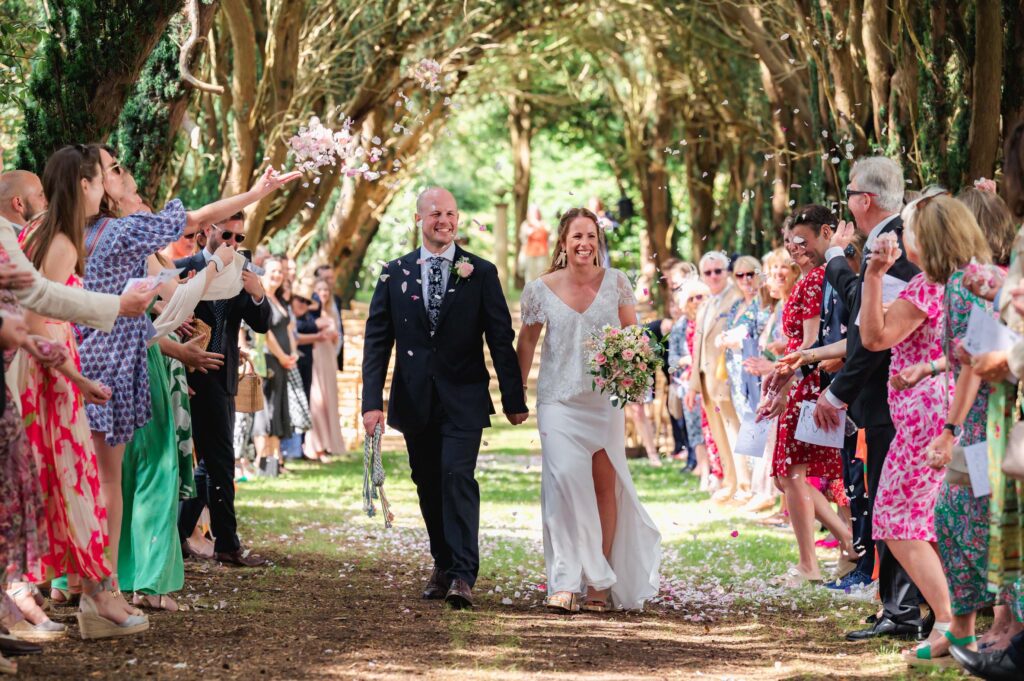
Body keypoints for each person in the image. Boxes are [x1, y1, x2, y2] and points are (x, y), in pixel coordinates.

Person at [361, 186, 528, 610]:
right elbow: (377, 342)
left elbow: (501, 339)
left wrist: (514, 398)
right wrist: (371, 403)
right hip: (414, 400)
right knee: (428, 484)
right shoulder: (392, 274)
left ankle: (462, 575)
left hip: (465, 398)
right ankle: (443, 561)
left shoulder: (482, 272)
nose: (445, 221)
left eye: (451, 213)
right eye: (436, 213)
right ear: (419, 218)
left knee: (457, 477)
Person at [858, 191, 990, 665]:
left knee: (894, 516)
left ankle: (950, 618)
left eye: (907, 229)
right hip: (943, 408)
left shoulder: (925, 288)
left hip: (929, 419)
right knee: (933, 521)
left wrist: (874, 276)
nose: (900, 236)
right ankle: (950, 623)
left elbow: (873, 338)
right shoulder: (962, 283)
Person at [516, 207, 660, 612]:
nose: (585, 244)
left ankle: (599, 585)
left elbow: (633, 339)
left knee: (602, 491)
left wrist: (633, 378)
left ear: (599, 242)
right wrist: (516, 396)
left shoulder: (617, 283)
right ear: (562, 242)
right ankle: (564, 581)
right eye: (577, 236)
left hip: (603, 402)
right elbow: (526, 344)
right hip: (557, 401)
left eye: (591, 236)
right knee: (563, 485)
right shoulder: (539, 289)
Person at [818, 156, 930, 642]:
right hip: (889, 400)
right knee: (885, 502)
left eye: (849, 192)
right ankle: (896, 605)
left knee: (896, 504)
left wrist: (841, 391)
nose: (846, 201)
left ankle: (904, 610)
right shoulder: (885, 240)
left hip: (896, 399)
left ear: (865, 199)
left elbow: (873, 334)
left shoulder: (893, 243)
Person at [175, 211, 280, 567]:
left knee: (216, 461)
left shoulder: (242, 270)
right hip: (184, 375)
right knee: (201, 461)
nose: (233, 244)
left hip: (223, 379)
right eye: (227, 236)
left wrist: (257, 294)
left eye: (239, 238)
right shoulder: (183, 267)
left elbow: (263, 324)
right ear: (208, 231)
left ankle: (207, 538)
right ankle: (206, 540)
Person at [758, 207, 853, 586]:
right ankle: (847, 541)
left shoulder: (816, 280)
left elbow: (813, 342)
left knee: (791, 474)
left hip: (808, 378)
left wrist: (787, 381)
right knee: (787, 477)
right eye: (788, 243)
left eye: (801, 241)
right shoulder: (805, 280)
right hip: (797, 375)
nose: (795, 249)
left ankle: (812, 562)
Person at [685, 251, 746, 502]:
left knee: (735, 433)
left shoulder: (736, 298)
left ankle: (744, 486)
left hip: (727, 377)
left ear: (726, 272)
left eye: (718, 271)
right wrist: (692, 385)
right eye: (708, 272)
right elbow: (698, 346)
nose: (713, 276)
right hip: (707, 379)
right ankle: (730, 483)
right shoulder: (707, 303)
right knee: (720, 436)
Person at [251, 257, 296, 474]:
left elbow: (288, 329)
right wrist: (281, 356)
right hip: (268, 359)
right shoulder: (261, 299)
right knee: (265, 410)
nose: (278, 275)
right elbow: (265, 332)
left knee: (278, 408)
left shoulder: (280, 300)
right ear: (262, 273)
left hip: (283, 362)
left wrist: (293, 353)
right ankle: (263, 461)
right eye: (273, 271)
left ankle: (276, 462)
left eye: (280, 271)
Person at [305, 278, 346, 459]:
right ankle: (317, 446)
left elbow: (337, 338)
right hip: (315, 355)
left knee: (330, 399)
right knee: (317, 399)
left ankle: (332, 443)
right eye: (320, 289)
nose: (323, 293)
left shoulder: (331, 312)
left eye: (326, 290)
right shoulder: (309, 312)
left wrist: (334, 336)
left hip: (329, 357)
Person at [519, 204, 550, 284]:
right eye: (532, 212)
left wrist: (539, 226)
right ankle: (531, 295)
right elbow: (522, 239)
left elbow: (550, 237)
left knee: (542, 277)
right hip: (529, 254)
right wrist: (527, 233)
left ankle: (541, 295)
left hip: (542, 253)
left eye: (536, 212)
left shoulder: (544, 224)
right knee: (530, 278)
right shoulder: (526, 224)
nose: (534, 214)